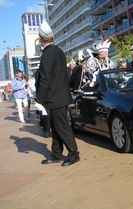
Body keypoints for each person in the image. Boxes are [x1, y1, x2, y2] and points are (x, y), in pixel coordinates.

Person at [37, 20, 79, 166]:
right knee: (56, 127)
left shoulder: (47, 54)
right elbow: (65, 76)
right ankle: (56, 154)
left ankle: (73, 154)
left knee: (61, 126)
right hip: (59, 95)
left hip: (54, 97)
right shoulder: (59, 51)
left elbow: (45, 78)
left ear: (41, 38)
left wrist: (39, 99)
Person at [35, 69, 51, 138]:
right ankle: (46, 130)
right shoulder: (39, 71)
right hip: (44, 97)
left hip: (53, 96)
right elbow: (37, 84)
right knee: (46, 115)